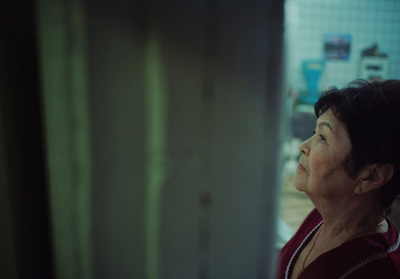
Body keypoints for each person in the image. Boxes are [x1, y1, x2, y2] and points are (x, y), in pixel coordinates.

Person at [276, 79, 400, 279]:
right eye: (314, 133)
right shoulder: (322, 215)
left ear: (371, 176)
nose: (304, 146)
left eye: (323, 138)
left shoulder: (374, 269)